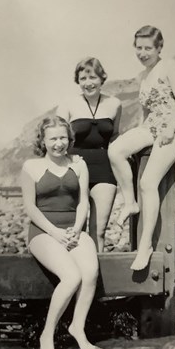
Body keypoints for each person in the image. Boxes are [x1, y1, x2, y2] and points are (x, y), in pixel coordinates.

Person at [108, 25, 175, 271]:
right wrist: (137, 136)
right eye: (139, 47)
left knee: (147, 182)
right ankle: (130, 203)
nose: (142, 53)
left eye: (148, 48)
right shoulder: (142, 76)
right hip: (152, 126)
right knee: (115, 150)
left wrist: (169, 129)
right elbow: (145, 112)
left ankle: (145, 246)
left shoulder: (169, 66)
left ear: (159, 48)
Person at [21, 115, 102, 349]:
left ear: (70, 138)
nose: (59, 143)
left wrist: (77, 229)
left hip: (73, 228)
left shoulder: (79, 164)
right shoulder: (30, 167)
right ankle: (48, 334)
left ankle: (78, 327)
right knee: (71, 276)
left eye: (63, 137)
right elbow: (30, 208)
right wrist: (55, 233)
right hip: (43, 232)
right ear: (43, 141)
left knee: (89, 272)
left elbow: (83, 202)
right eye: (53, 138)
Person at [57, 57, 122, 252]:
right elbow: (58, 138)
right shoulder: (68, 104)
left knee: (98, 230)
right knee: (73, 229)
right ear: (78, 81)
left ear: (102, 78)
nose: (88, 83)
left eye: (92, 77)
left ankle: (95, 279)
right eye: (83, 78)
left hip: (104, 169)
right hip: (74, 168)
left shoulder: (115, 104)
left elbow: (115, 136)